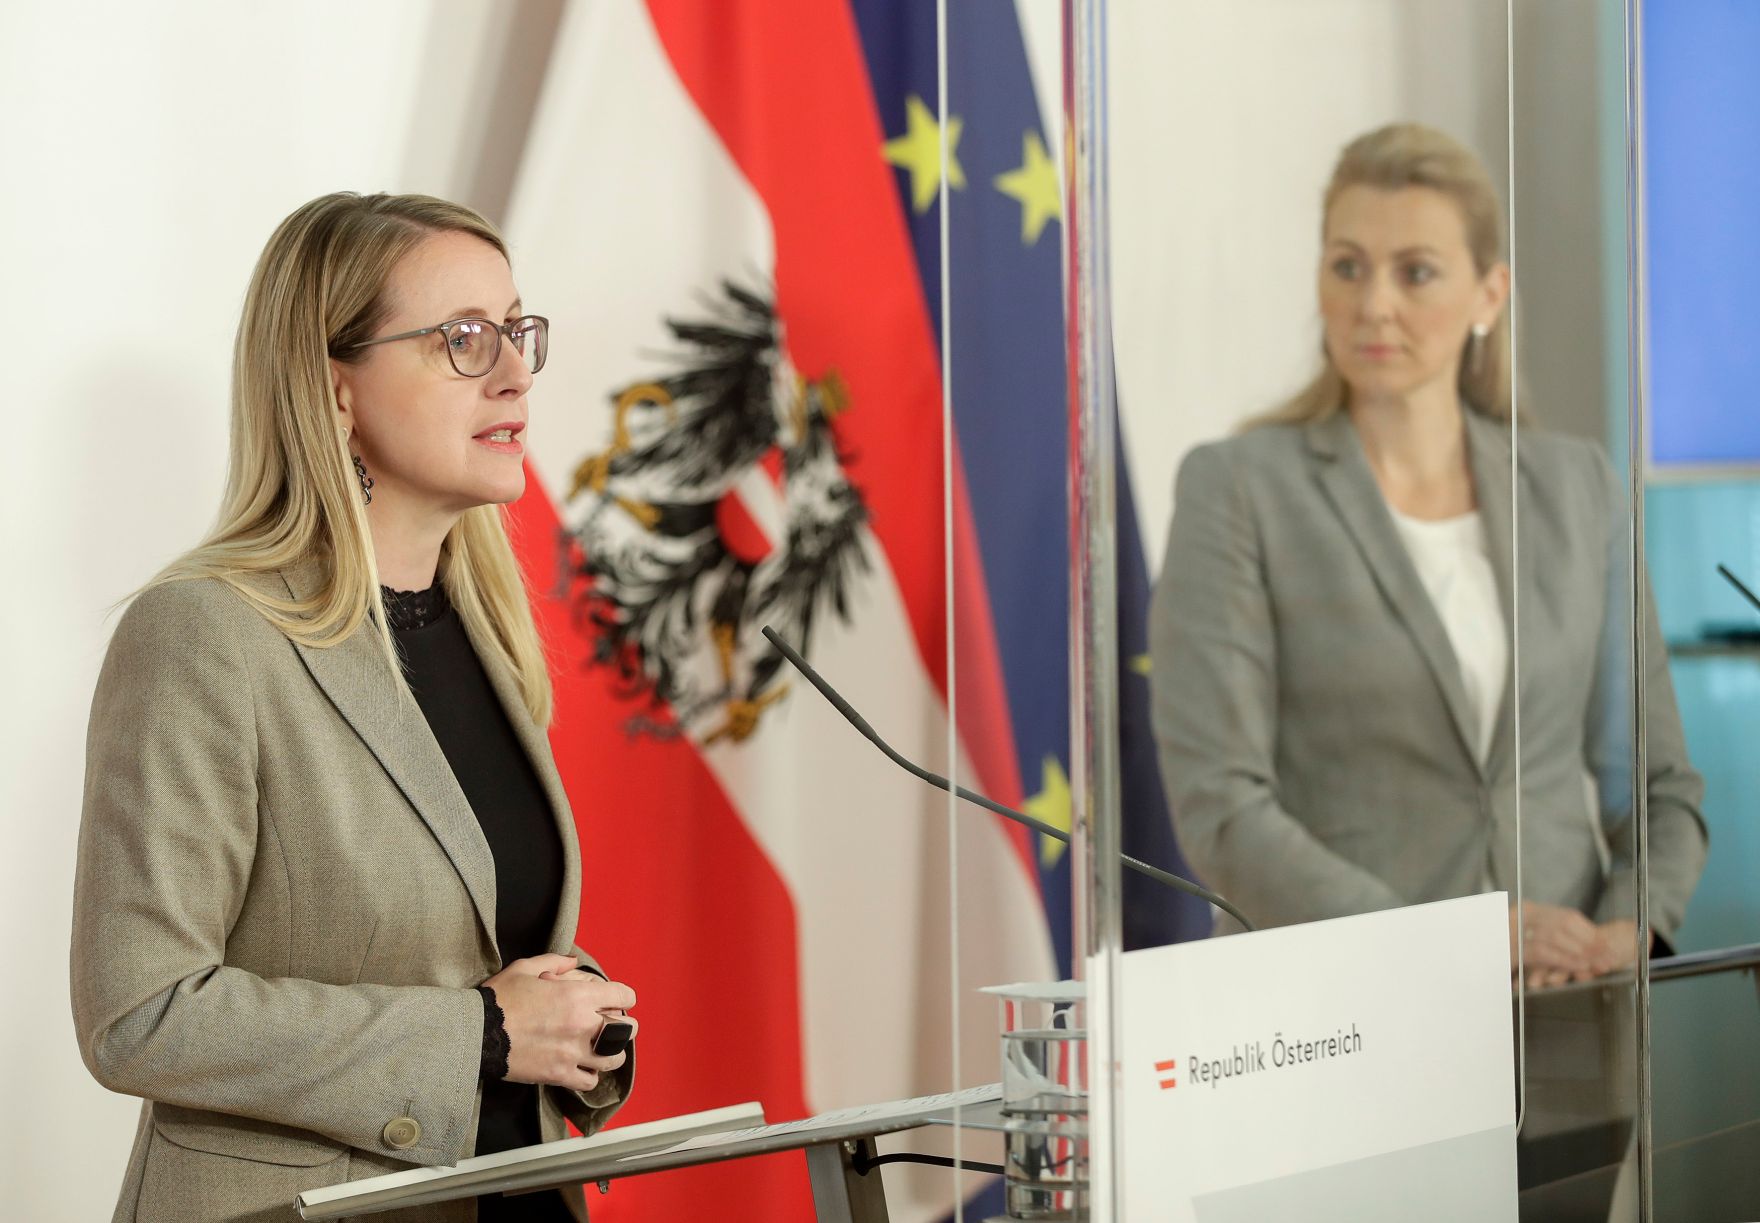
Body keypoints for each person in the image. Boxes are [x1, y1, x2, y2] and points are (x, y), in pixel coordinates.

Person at [70, 192, 636, 1222]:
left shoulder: (484, 629)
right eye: (462, 339)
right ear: (334, 391)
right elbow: (137, 1009)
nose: (514, 370)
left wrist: (566, 1012)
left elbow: (462, 939)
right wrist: (482, 1034)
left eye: (515, 330)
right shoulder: (203, 634)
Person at [1148, 122, 1707, 983]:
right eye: (1348, 266)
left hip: (1568, 1019)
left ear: (1489, 295)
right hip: (1340, 1025)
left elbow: (1658, 784)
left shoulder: (1578, 486)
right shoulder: (1240, 489)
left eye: (1415, 271)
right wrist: (1446, 941)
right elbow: (1221, 808)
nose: (1375, 303)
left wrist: (1627, 930)